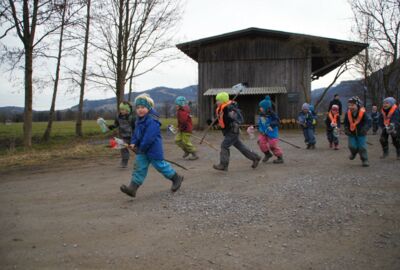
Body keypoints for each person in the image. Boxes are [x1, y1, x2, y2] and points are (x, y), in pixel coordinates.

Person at [120, 94, 184, 198]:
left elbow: (149, 138)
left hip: (153, 149)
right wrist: (133, 142)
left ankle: (176, 178)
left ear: (149, 107)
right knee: (139, 167)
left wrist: (141, 148)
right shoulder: (139, 120)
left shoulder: (152, 120)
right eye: (138, 107)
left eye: (143, 107)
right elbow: (136, 133)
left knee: (161, 167)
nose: (140, 110)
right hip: (142, 150)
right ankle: (132, 188)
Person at [212, 92, 261, 171]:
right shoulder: (221, 108)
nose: (216, 102)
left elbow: (234, 119)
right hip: (228, 131)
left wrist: (227, 112)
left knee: (224, 146)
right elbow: (221, 119)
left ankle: (223, 165)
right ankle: (255, 157)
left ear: (223, 100)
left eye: (218, 100)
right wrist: (213, 122)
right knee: (241, 147)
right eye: (216, 100)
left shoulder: (230, 108)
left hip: (232, 131)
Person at [343, 96, 371, 167]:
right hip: (351, 133)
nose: (350, 107)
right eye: (349, 105)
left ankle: (364, 160)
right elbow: (345, 122)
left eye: (352, 105)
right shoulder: (348, 113)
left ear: (357, 105)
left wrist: (365, 128)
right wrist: (346, 128)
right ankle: (354, 153)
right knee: (351, 146)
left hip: (361, 133)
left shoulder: (363, 113)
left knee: (362, 147)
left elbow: (368, 122)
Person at [108, 101, 135, 168]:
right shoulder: (118, 117)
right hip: (123, 136)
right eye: (120, 109)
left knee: (136, 149)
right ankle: (124, 162)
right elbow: (116, 124)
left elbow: (135, 127)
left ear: (127, 110)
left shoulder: (132, 117)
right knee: (123, 149)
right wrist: (112, 127)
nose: (121, 111)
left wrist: (136, 136)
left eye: (123, 109)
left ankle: (145, 158)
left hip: (131, 136)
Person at [257, 96, 284, 163]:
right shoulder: (261, 115)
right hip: (263, 133)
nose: (260, 108)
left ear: (266, 107)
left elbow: (277, 121)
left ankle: (280, 157)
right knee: (260, 142)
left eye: (261, 107)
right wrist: (260, 129)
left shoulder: (272, 114)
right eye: (260, 107)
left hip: (272, 133)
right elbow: (260, 123)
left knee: (272, 145)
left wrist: (271, 125)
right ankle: (267, 154)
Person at [175, 96, 198, 160]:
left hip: (186, 129)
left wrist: (179, 128)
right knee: (177, 140)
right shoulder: (180, 110)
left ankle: (194, 154)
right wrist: (178, 127)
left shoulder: (183, 111)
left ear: (180, 104)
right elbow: (180, 122)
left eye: (177, 104)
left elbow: (184, 122)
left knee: (186, 142)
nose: (175, 106)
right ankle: (187, 151)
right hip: (182, 129)